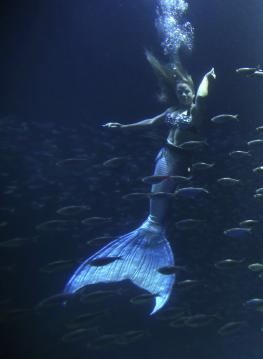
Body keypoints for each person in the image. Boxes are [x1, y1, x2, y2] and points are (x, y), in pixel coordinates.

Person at [64, 51, 216, 314]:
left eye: (187, 91)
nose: (185, 95)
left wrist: (208, 77)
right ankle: (144, 247)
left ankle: (148, 252)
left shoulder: (195, 114)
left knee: (157, 220)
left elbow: (202, 99)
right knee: (155, 215)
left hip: (178, 163)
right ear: (175, 93)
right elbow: (150, 122)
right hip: (165, 157)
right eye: (180, 91)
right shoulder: (172, 111)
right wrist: (122, 127)